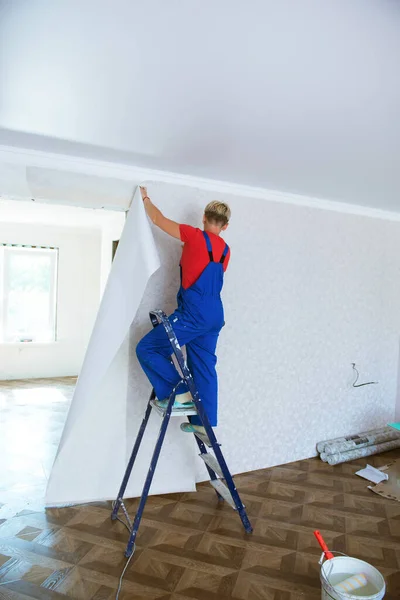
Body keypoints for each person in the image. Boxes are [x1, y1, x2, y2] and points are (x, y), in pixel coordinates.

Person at [136, 186, 231, 436]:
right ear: (225, 226)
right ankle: (204, 423)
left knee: (147, 348)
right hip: (215, 316)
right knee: (204, 365)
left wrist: (145, 198)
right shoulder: (225, 250)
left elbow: (157, 219)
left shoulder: (193, 236)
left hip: (194, 314)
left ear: (203, 218)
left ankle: (179, 394)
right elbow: (210, 275)